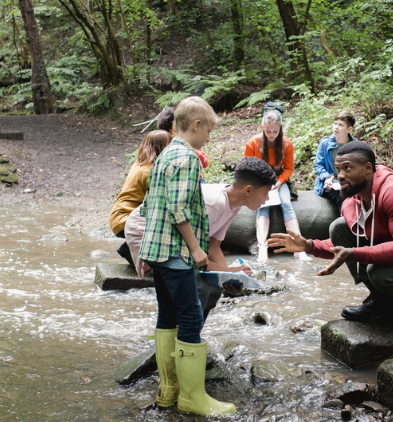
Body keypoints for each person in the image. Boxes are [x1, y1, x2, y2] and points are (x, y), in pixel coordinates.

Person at [267, 141, 393, 335]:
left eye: (347, 168)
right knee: (339, 228)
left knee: (378, 272)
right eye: (338, 169)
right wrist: (308, 246)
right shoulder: (352, 200)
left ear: (368, 169)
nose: (340, 175)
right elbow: (342, 244)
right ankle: (382, 303)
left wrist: (353, 253)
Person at [138, 96, 236, 415]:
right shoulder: (188, 158)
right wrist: (196, 248)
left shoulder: (165, 154)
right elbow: (177, 208)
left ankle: (169, 392)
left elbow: (150, 204)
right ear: (196, 125)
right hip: (175, 252)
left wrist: (145, 251)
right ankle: (193, 397)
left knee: (167, 316)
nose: (209, 136)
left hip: (157, 251)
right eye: (208, 130)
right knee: (191, 317)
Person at [124, 157, 276, 318]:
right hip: (146, 230)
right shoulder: (214, 203)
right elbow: (189, 253)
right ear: (248, 190)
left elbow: (213, 246)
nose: (267, 199)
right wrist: (228, 271)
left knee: (215, 286)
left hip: (178, 240)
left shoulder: (233, 207)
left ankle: (187, 334)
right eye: (266, 193)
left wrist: (230, 277)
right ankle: (185, 334)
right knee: (199, 287)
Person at [244, 104, 310, 262]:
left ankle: (298, 247)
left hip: (279, 181)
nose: (271, 135)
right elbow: (247, 165)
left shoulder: (287, 144)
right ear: (262, 127)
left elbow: (288, 168)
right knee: (263, 206)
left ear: (280, 129)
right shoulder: (253, 143)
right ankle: (262, 248)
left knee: (286, 203)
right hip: (259, 182)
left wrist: (279, 183)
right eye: (268, 131)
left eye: (275, 131)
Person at [109, 130, 172, 265]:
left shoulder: (140, 165)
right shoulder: (150, 171)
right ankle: (133, 252)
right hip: (126, 219)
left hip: (119, 217)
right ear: (162, 147)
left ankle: (131, 248)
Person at [314, 111, 357, 211]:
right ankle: (345, 224)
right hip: (330, 181)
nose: (336, 127)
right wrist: (326, 178)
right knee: (343, 196)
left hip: (348, 181)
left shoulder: (355, 145)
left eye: (341, 125)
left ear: (349, 129)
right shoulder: (325, 143)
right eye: (335, 123)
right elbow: (318, 165)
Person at [157, 106, 209, 177]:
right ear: (171, 131)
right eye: (176, 131)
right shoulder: (168, 146)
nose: (179, 134)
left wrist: (192, 150)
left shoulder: (193, 142)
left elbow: (205, 163)